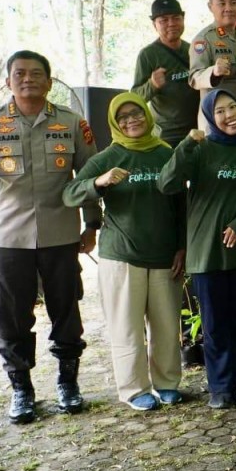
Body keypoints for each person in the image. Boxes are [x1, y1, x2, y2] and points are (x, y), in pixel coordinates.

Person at [0, 50, 100, 424]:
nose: (28, 79)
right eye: (19, 73)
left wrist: (92, 224)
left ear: (49, 82)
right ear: (8, 81)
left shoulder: (72, 122)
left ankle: (68, 383)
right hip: (9, 236)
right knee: (12, 316)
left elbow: (89, 174)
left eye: (36, 73)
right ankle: (21, 389)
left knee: (65, 310)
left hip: (60, 232)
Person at [63, 93, 185, 411]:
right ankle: (134, 388)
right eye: (123, 117)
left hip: (164, 255)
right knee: (126, 326)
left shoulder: (165, 152)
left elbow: (181, 203)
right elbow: (70, 193)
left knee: (166, 326)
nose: (132, 120)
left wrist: (182, 246)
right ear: (115, 123)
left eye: (137, 113)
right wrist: (99, 182)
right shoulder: (109, 156)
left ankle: (167, 383)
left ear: (147, 114)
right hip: (122, 255)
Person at [158, 89, 236, 409]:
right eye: (220, 111)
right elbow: (166, 183)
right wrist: (186, 145)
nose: (229, 115)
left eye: (233, 107)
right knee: (215, 324)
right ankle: (220, 387)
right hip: (206, 253)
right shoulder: (200, 150)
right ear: (209, 117)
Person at [131, 0, 197, 147]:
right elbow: (134, 97)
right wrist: (152, 85)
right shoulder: (148, 55)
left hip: (197, 130)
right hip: (167, 135)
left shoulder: (194, 50)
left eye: (176, 18)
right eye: (164, 20)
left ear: (183, 19)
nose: (171, 23)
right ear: (154, 24)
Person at [190, 0, 236, 127]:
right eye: (222, 3)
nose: (228, 8)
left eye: (233, 3)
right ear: (210, 7)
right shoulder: (203, 39)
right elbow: (194, 78)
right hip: (217, 121)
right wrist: (213, 72)